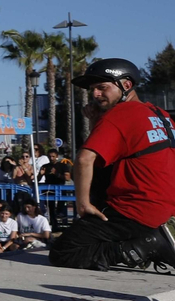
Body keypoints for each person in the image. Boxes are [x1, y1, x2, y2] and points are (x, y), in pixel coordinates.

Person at [49, 59, 175, 271]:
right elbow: (105, 158)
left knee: (64, 251)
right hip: (165, 209)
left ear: (126, 85)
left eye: (102, 87)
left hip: (137, 210)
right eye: (93, 90)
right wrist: (96, 121)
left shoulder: (121, 114)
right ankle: (146, 241)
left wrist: (83, 205)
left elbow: (84, 159)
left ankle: (144, 246)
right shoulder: (161, 115)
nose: (95, 94)